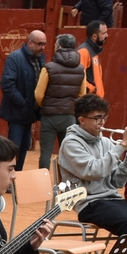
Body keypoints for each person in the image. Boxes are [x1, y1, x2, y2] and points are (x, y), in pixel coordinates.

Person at [57, 94, 127, 236]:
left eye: (104, 117)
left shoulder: (106, 142)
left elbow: (118, 181)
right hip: (89, 204)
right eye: (97, 118)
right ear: (82, 120)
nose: (102, 122)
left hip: (113, 200)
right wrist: (122, 145)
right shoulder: (70, 143)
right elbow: (93, 171)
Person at [34, 33, 85, 170]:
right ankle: (67, 184)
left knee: (45, 151)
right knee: (68, 153)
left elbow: (38, 94)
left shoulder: (49, 67)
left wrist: (45, 105)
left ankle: (42, 184)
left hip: (50, 115)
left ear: (59, 46)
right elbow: (82, 94)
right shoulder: (81, 69)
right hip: (69, 115)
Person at [0, 30, 46, 172]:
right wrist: (23, 103)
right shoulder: (15, 58)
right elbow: (7, 85)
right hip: (17, 112)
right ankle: (8, 177)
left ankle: (17, 176)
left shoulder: (40, 59)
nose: (43, 47)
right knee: (15, 146)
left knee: (24, 145)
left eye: (44, 44)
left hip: (30, 112)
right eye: (40, 44)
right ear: (30, 43)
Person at [77, 21, 107, 98]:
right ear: (94, 36)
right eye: (103, 33)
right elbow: (77, 76)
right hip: (89, 102)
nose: (107, 35)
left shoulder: (92, 51)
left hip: (95, 101)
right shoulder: (84, 51)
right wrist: (93, 90)